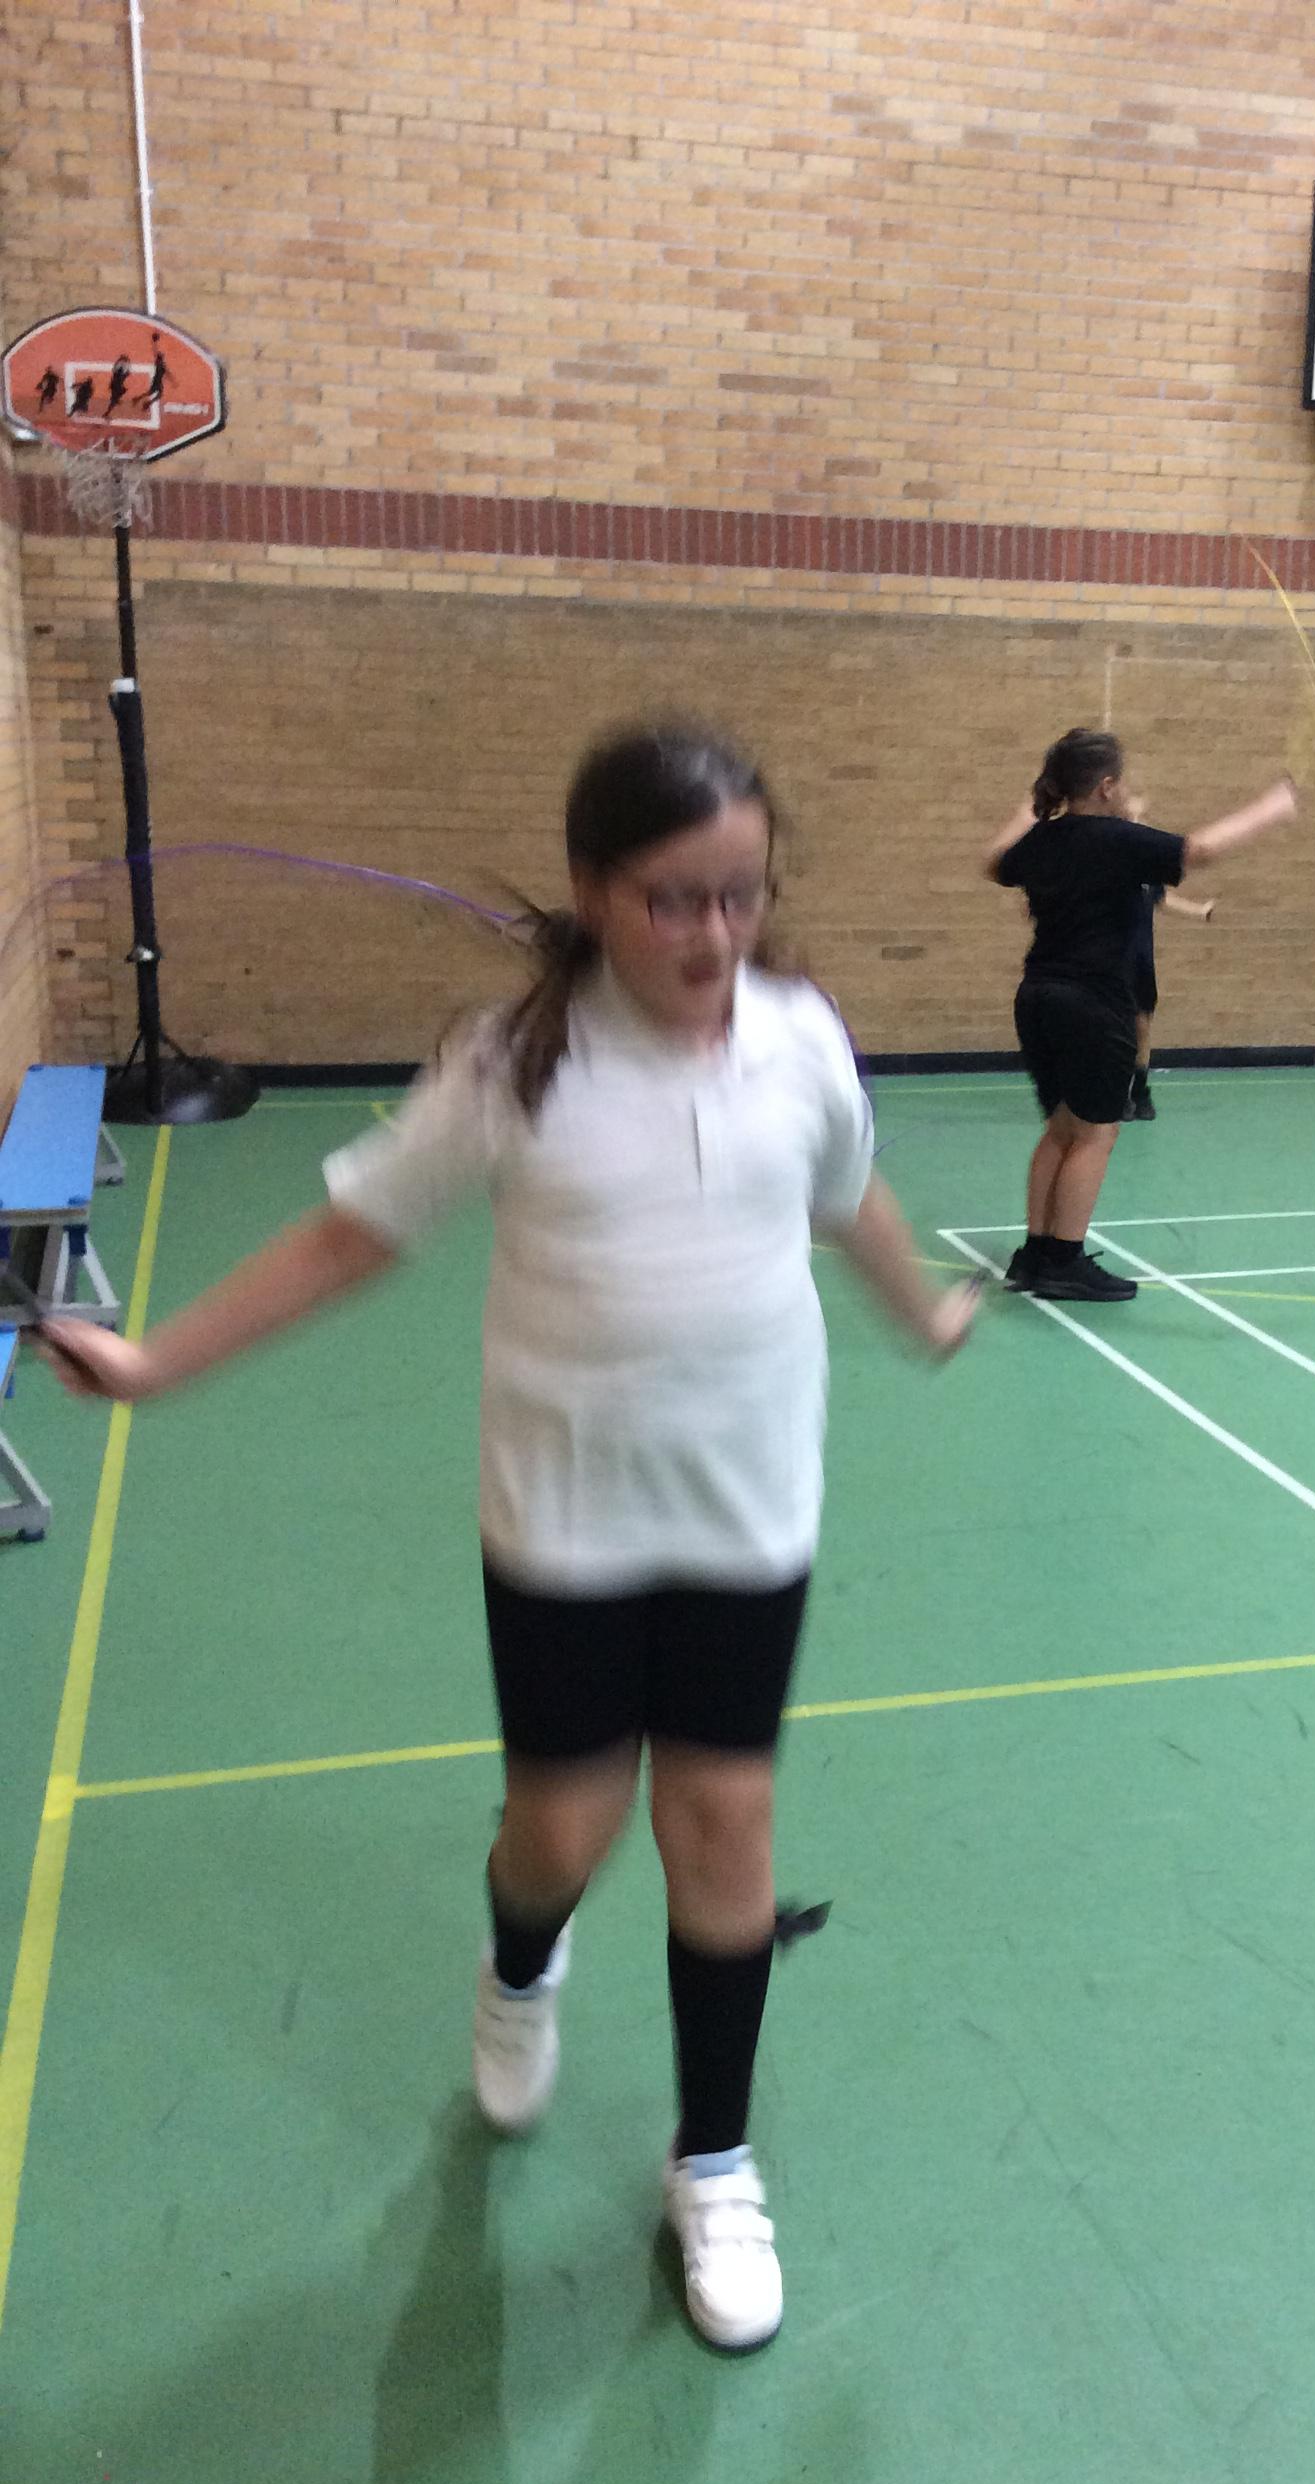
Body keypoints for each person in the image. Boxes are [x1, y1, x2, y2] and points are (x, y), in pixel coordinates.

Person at [39, 724, 977, 2354]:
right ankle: (519, 1960)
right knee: (565, 1829)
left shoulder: (802, 1039)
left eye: (742, 895)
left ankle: (714, 2161)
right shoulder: (514, 1067)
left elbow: (850, 1196)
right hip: (565, 1522)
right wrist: (155, 1360)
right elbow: (350, 1236)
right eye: (674, 898)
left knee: (725, 1824)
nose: (713, 934)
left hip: (749, 1511)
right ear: (593, 889)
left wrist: (922, 1308)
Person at [984, 729, 1298, 1298]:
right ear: (1106, 787)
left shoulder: (1043, 839)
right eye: (1123, 782)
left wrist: (1025, 813)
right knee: (1095, 1136)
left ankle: (1034, 1254)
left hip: (1038, 997)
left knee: (1061, 1130)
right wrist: (1270, 808)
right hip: (1093, 1004)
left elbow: (993, 863)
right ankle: (1064, 1261)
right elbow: (1199, 850)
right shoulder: (1118, 840)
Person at [1124, 880, 1215, 1121]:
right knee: (1115, 1030)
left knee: (1142, 1026)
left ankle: (1140, 1092)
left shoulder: (1146, 877)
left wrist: (1199, 911)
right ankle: (1118, 1093)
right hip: (1111, 964)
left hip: (1141, 964)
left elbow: (1162, 898)